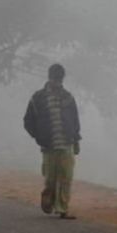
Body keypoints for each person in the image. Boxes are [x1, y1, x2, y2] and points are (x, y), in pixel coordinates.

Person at [24, 63, 81, 219]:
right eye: (56, 79)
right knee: (50, 178)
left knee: (66, 177)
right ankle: (48, 197)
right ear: (50, 78)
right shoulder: (38, 98)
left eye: (60, 79)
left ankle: (62, 208)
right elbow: (28, 121)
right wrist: (39, 136)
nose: (58, 82)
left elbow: (75, 121)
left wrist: (76, 140)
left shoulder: (68, 97)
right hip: (48, 146)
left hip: (67, 144)